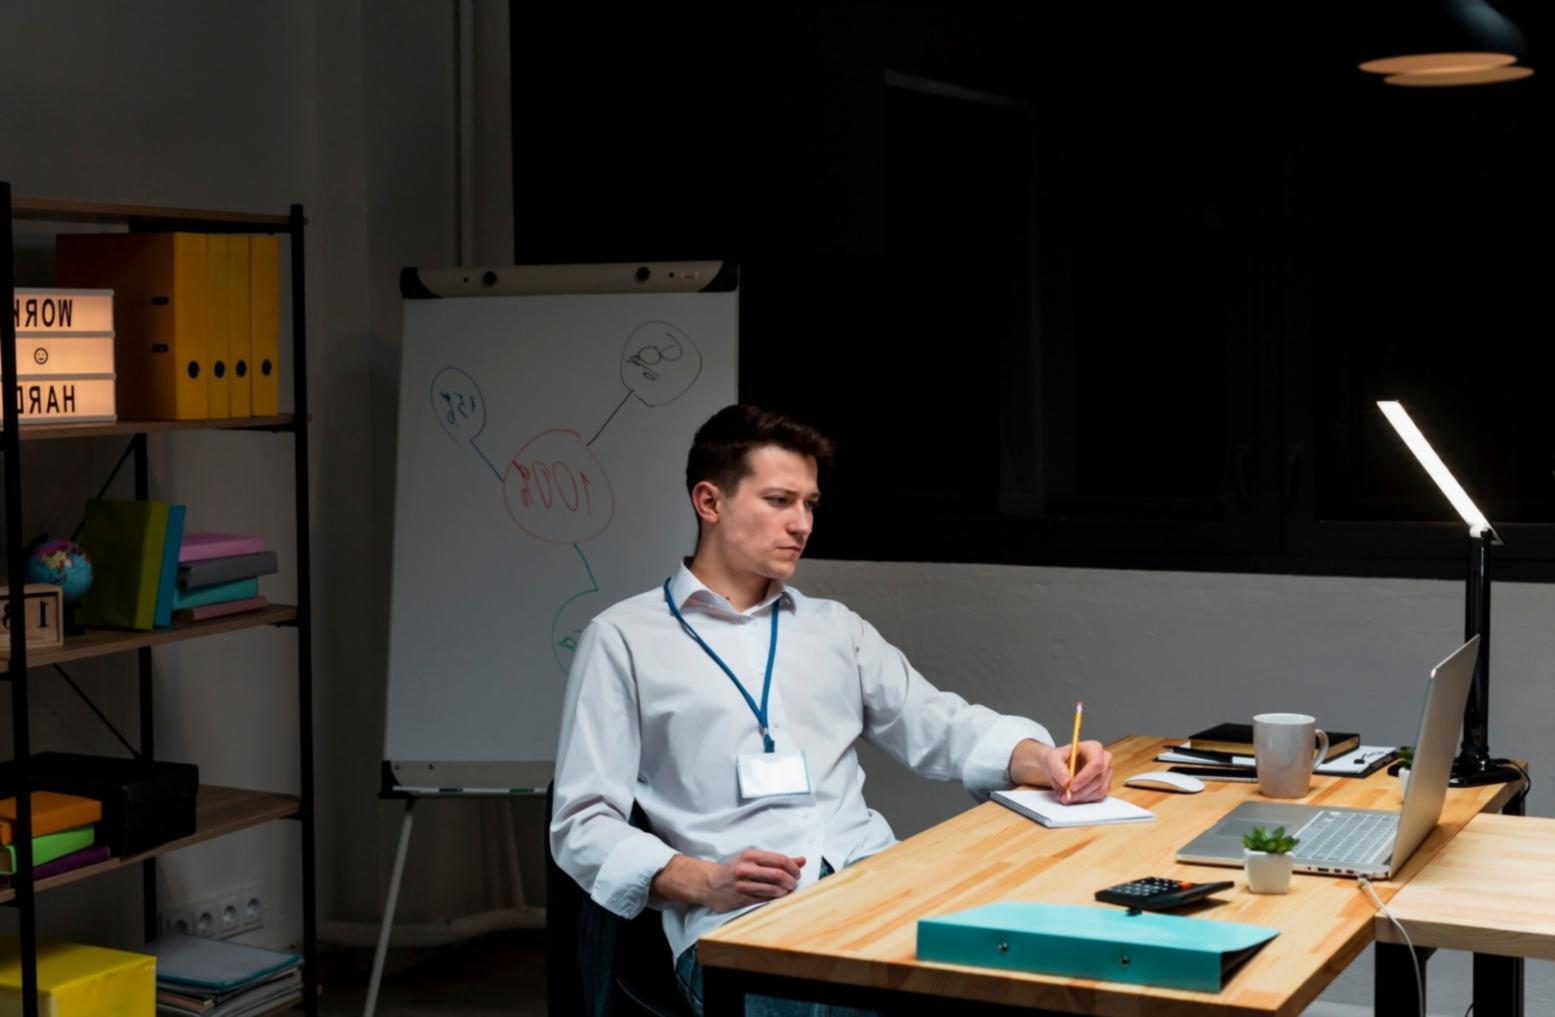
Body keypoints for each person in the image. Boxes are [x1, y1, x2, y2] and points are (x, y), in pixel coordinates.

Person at [550, 405, 1113, 1016]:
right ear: (709, 502)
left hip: (876, 884)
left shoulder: (833, 629)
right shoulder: (624, 639)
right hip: (743, 923)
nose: (802, 525)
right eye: (779, 500)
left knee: (1036, 976)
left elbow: (940, 725)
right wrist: (703, 880)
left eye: (810, 504)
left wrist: (1043, 758)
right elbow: (582, 822)